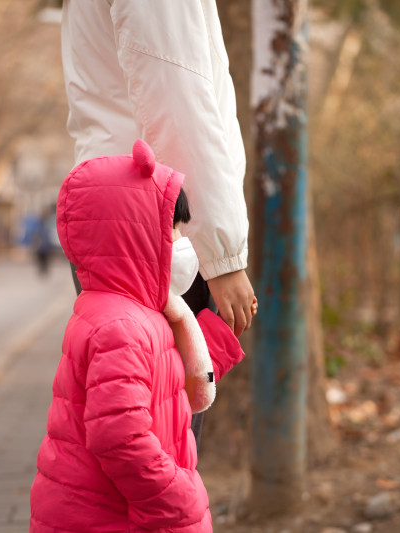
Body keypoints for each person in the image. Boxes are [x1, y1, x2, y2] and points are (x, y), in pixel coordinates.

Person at [62, 0, 255, 450]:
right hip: (159, 226)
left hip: (118, 214)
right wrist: (223, 256)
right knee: (159, 444)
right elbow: (177, 102)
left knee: (133, 425)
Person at [30, 140, 248, 532]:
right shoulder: (120, 328)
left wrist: (215, 337)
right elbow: (120, 436)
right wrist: (177, 497)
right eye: (173, 230)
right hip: (111, 516)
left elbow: (166, 385)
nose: (183, 244)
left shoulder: (141, 311)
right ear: (132, 236)